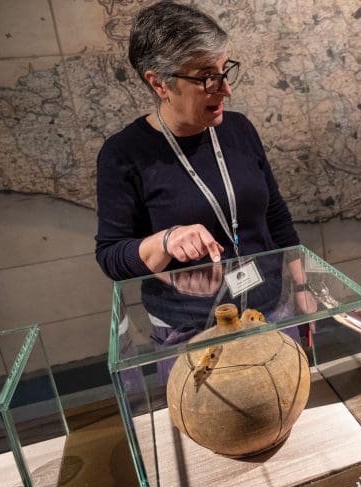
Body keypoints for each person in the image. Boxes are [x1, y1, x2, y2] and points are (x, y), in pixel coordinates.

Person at [95, 2, 314, 351]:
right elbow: (111, 256)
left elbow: (276, 218)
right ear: (159, 83)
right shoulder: (124, 155)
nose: (225, 89)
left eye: (224, 71)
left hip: (271, 309)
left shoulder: (240, 129)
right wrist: (165, 241)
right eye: (206, 77)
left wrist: (303, 288)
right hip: (191, 331)